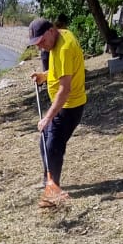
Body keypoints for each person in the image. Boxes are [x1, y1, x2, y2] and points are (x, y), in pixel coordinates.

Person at [28, 17, 86, 205]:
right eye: (37, 44)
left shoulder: (64, 48)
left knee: (53, 146)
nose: (41, 47)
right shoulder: (59, 39)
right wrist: (44, 76)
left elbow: (64, 89)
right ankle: (49, 181)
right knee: (44, 140)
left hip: (70, 106)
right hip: (63, 104)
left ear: (51, 30)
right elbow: (61, 70)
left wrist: (47, 117)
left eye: (42, 41)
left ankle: (53, 188)